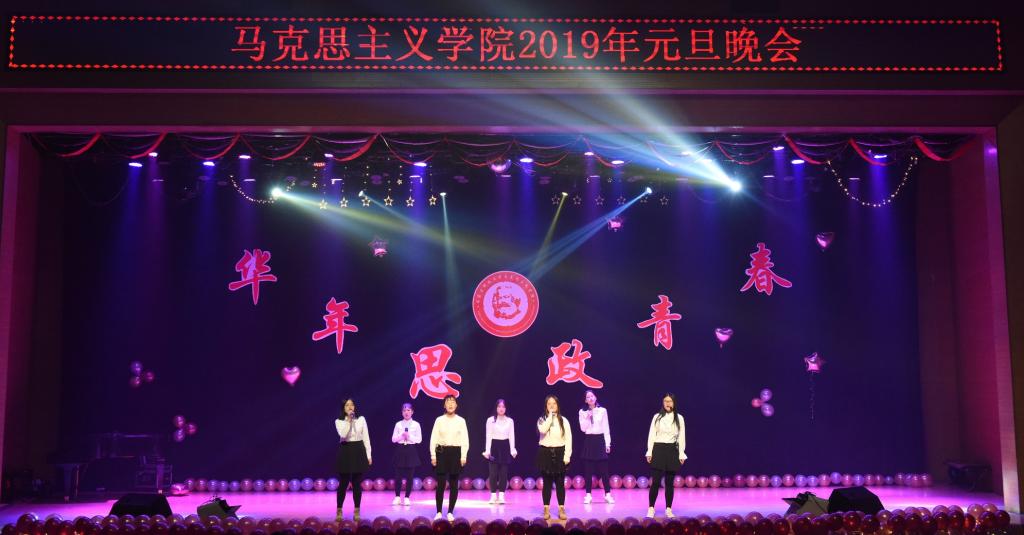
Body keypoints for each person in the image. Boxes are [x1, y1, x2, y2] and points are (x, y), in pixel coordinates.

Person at [645, 393, 687, 519]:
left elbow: (681, 437)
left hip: (672, 450)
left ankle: (668, 509)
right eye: (665, 401)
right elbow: (652, 435)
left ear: (674, 403)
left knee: (669, 483)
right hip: (658, 449)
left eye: (670, 401)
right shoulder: (657, 417)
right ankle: (651, 508)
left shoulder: (679, 418)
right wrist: (649, 451)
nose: (667, 403)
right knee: (655, 482)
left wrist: (681, 453)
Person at [429, 394, 469, 522]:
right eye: (448, 402)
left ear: (456, 405)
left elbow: (465, 439)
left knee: (453, 484)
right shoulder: (439, 420)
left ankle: (450, 511)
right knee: (441, 484)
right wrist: (433, 455)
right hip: (441, 452)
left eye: (453, 402)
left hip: (455, 453)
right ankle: (439, 512)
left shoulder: (461, 420)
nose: (450, 404)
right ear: (444, 405)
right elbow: (433, 438)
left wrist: (463, 455)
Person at [334, 398, 372, 522]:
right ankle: (339, 510)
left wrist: (368, 455)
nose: (350, 407)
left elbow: (366, 437)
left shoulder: (361, 419)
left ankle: (357, 511)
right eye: (347, 405)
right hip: (346, 449)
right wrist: (349, 421)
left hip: (359, 450)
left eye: (352, 405)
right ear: (343, 408)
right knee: (343, 483)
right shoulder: (339, 421)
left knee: (357, 483)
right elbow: (343, 435)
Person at [536, 395, 572, 521]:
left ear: (558, 405)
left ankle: (561, 508)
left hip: (560, 452)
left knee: (560, 483)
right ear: (546, 406)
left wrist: (567, 455)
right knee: (547, 483)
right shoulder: (542, 419)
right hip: (545, 452)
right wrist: (550, 417)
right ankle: (546, 508)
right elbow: (543, 430)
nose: (552, 406)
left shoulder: (564, 420)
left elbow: (568, 439)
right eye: (549, 404)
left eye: (554, 403)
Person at [578, 390, 614, 504]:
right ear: (585, 400)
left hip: (600, 440)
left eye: (592, 396)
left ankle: (608, 494)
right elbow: (583, 429)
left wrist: (607, 443)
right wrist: (587, 417)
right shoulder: (582, 412)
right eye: (588, 397)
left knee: (604, 471)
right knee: (588, 471)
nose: (591, 398)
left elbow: (606, 428)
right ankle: (588, 495)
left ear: (595, 397)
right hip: (589, 440)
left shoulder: (602, 410)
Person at [483, 399, 518, 504]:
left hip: (505, 447)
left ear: (506, 408)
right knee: (493, 473)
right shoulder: (490, 420)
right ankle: (493, 495)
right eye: (499, 406)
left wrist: (512, 449)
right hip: (494, 447)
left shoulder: (510, 421)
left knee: (503, 473)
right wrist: (487, 450)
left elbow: (511, 436)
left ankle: (502, 495)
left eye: (503, 406)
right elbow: (488, 436)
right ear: (496, 408)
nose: (501, 409)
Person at [391, 403, 422, 506]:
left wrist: (409, 437)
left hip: (411, 449)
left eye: (408, 410)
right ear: (402, 412)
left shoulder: (416, 424)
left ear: (412, 412)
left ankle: (407, 497)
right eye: (404, 410)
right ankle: (397, 497)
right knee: (398, 476)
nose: (406, 412)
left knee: (410, 476)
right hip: (400, 449)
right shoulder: (398, 424)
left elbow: (419, 440)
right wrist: (401, 436)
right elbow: (393, 439)